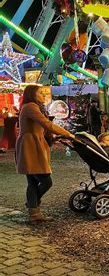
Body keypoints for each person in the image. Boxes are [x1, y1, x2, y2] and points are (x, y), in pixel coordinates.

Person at [15, 85, 75, 223]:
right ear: (32, 95)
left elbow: (44, 127)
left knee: (32, 181)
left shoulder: (33, 106)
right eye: (40, 93)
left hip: (32, 144)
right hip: (30, 145)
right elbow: (46, 124)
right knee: (45, 180)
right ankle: (32, 204)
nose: (43, 95)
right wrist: (68, 134)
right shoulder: (30, 106)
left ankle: (34, 212)